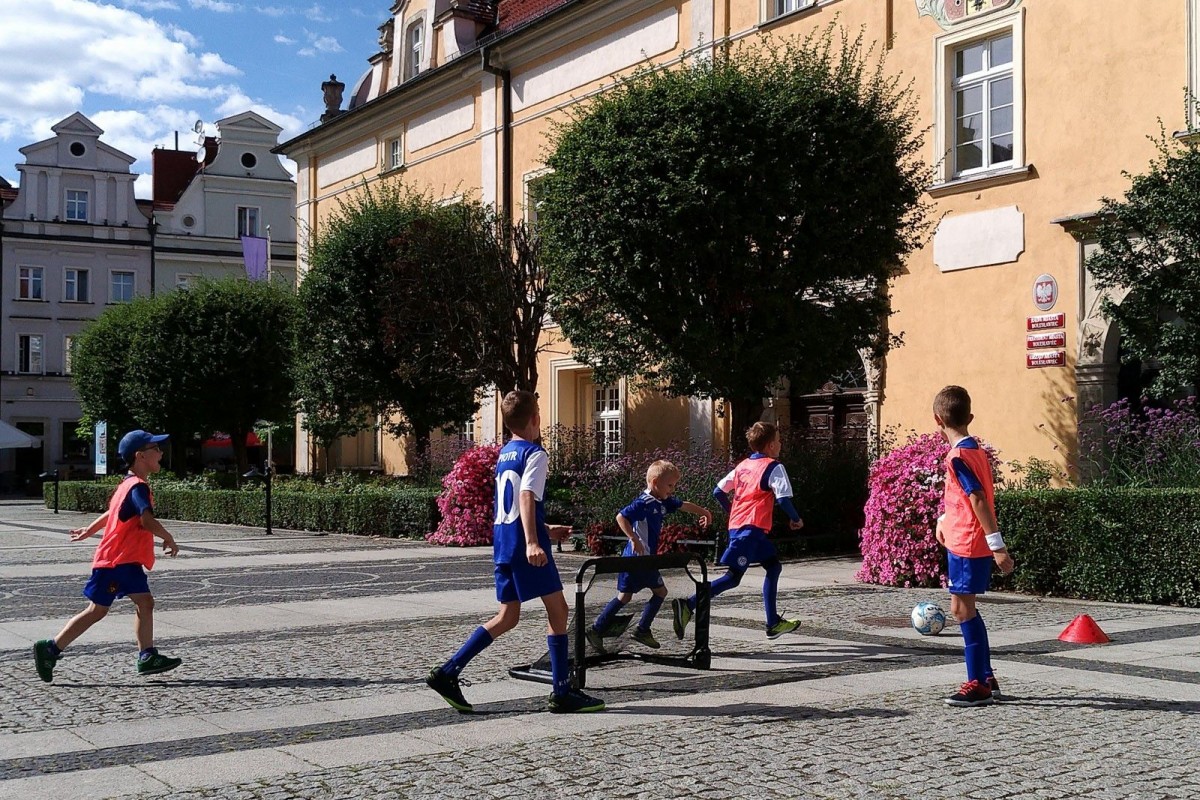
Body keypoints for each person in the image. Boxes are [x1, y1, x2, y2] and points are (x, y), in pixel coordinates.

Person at [427, 390, 605, 714]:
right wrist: (535, 542)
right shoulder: (535, 453)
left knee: (507, 617)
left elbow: (510, 505)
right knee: (559, 611)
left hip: (504, 546)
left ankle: (447, 672)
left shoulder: (506, 452)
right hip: (526, 549)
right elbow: (524, 496)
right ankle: (562, 692)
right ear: (535, 419)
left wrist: (545, 529)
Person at [33, 430, 183, 683]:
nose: (161, 452)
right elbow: (145, 520)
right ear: (141, 455)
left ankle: (146, 655)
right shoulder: (137, 487)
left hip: (126, 561)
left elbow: (111, 513)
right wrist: (168, 537)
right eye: (155, 448)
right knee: (97, 611)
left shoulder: (127, 484)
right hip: (116, 562)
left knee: (144, 602)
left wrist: (89, 530)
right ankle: (50, 649)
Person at [672, 421, 804, 640]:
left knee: (773, 567)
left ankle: (773, 623)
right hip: (750, 531)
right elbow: (783, 499)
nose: (780, 445)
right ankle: (688, 605)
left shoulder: (743, 466)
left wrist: (733, 511)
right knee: (733, 578)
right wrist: (796, 519)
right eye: (779, 441)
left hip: (744, 529)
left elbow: (718, 491)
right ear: (771, 445)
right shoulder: (774, 467)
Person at [933, 385, 1014, 707]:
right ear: (970, 417)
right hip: (962, 537)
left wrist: (998, 546)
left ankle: (978, 683)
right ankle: (985, 674)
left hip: (968, 543)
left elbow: (977, 498)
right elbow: (963, 499)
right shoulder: (976, 450)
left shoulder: (958, 456)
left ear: (937, 419)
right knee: (964, 609)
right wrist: (943, 519)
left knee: (962, 610)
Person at [584, 460, 712, 653]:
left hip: (640, 559)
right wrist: (633, 538)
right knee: (659, 592)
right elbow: (621, 517)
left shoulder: (661, 501)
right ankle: (641, 629)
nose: (672, 489)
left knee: (625, 596)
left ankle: (598, 629)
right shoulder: (644, 502)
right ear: (654, 483)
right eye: (670, 485)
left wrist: (704, 512)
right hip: (638, 558)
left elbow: (682, 505)